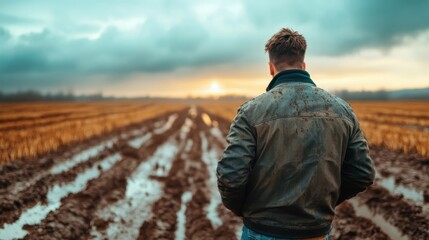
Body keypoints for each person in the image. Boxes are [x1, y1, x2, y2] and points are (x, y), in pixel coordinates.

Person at [216, 28, 376, 240]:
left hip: (262, 231)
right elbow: (362, 172)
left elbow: (231, 176)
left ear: (271, 68)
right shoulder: (341, 110)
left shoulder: (251, 112)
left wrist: (246, 210)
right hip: (316, 232)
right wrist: (320, 203)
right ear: (304, 65)